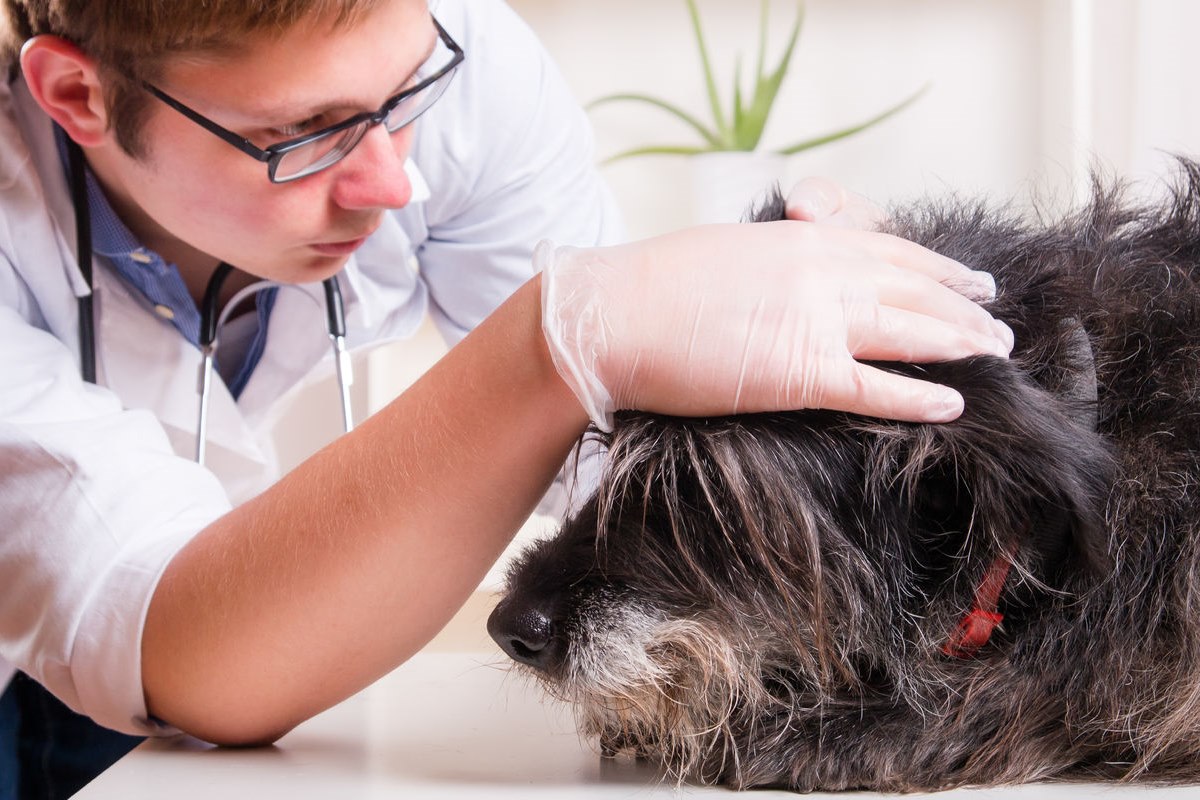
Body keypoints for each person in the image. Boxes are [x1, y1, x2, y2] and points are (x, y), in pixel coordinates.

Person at [0, 0, 1013, 795]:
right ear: (77, 97)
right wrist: (553, 339)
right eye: (301, 133)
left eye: (402, 98)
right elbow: (187, 655)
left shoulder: (460, 64)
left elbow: (606, 473)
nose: (392, 182)